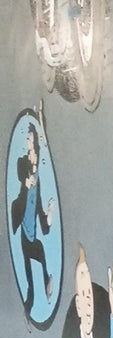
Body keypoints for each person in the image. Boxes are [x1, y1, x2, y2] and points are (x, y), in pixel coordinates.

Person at [10, 123, 54, 313]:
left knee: (42, 252)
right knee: (29, 282)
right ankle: (30, 307)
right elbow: (20, 173)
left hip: (32, 234)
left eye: (32, 144)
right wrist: (26, 185)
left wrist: (49, 213)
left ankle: (46, 286)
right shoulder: (24, 167)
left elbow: (42, 217)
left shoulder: (38, 180)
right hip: (24, 236)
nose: (30, 149)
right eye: (29, 142)